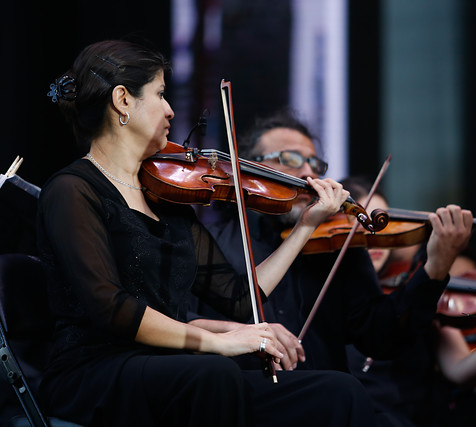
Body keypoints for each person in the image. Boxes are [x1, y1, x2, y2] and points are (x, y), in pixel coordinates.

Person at [37, 39, 378, 427]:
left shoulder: (166, 198)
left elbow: (239, 299)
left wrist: (306, 226)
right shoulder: (72, 190)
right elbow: (111, 309)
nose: (170, 111)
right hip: (95, 373)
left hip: (174, 370)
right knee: (214, 373)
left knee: (338, 392)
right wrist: (221, 342)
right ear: (122, 100)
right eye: (161, 94)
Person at [204, 109, 473, 424]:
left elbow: (381, 335)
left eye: (314, 164)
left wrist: (435, 268)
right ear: (251, 167)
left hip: (329, 410)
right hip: (246, 407)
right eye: (289, 159)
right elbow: (188, 326)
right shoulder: (214, 242)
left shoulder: (336, 243)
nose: (307, 173)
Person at [342, 175, 476, 426]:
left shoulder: (416, 291)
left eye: (381, 222)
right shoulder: (326, 293)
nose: (372, 232)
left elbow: (461, 370)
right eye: (361, 221)